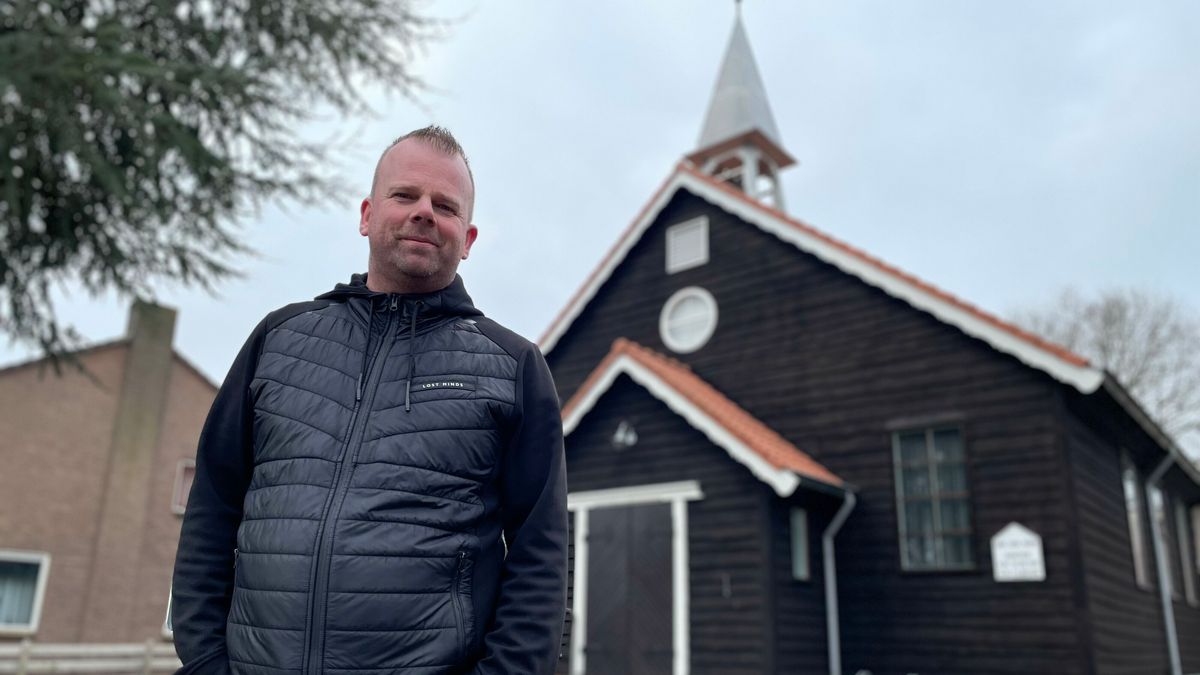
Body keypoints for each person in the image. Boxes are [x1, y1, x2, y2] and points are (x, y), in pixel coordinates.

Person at [171, 126, 568, 675]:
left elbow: (540, 556)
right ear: (366, 215)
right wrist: (207, 663)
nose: (424, 212)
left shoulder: (512, 366)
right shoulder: (277, 340)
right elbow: (211, 510)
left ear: (468, 238)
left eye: (445, 205)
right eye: (405, 196)